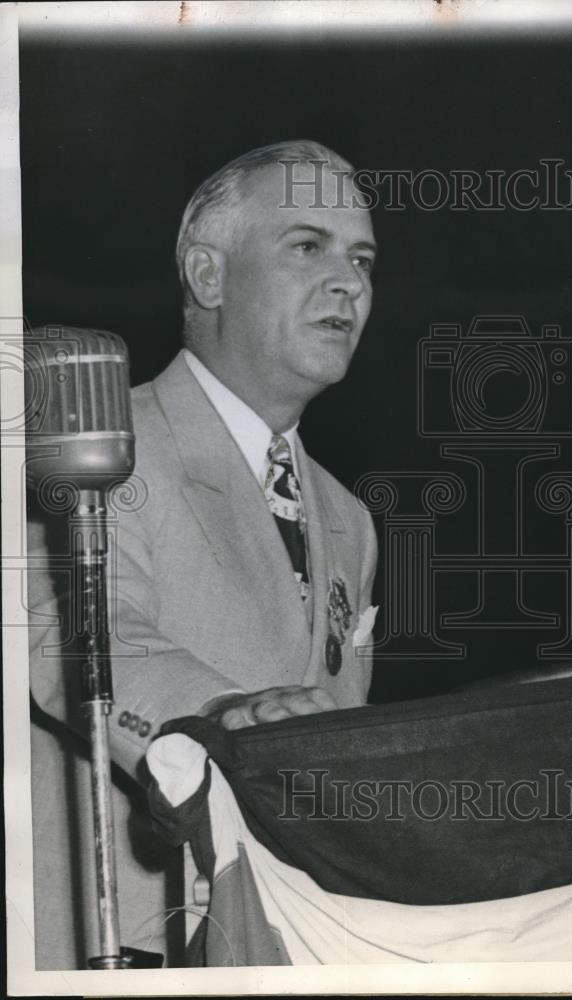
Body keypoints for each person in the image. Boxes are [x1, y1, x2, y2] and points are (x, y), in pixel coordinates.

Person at [26, 140, 379, 968]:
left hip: (294, 944)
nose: (349, 282)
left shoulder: (349, 518)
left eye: (362, 259)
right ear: (208, 275)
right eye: (308, 246)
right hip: (125, 940)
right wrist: (224, 715)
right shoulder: (87, 442)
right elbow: (72, 640)